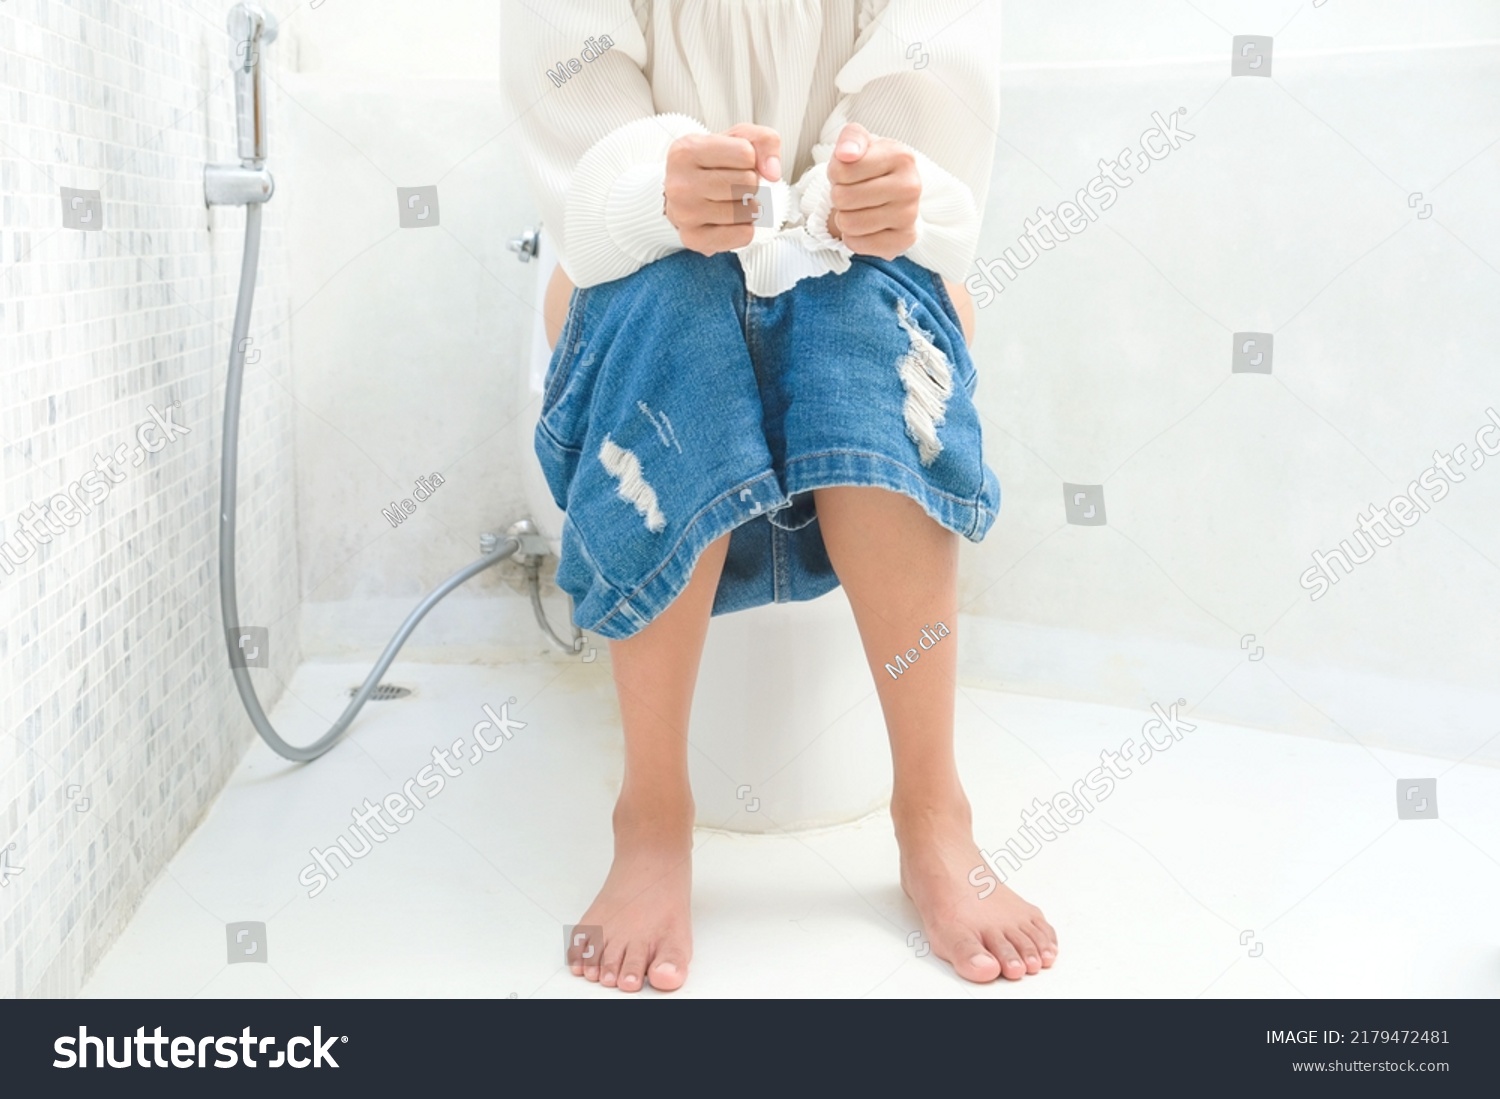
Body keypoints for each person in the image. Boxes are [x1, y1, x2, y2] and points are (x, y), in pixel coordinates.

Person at [503, 0, 1055, 993]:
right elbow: (580, 166)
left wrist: (890, 195)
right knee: (675, 301)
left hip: (859, 270)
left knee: (858, 307)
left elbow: (936, 140)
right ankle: (652, 812)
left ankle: (934, 811)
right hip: (639, 268)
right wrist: (657, 197)